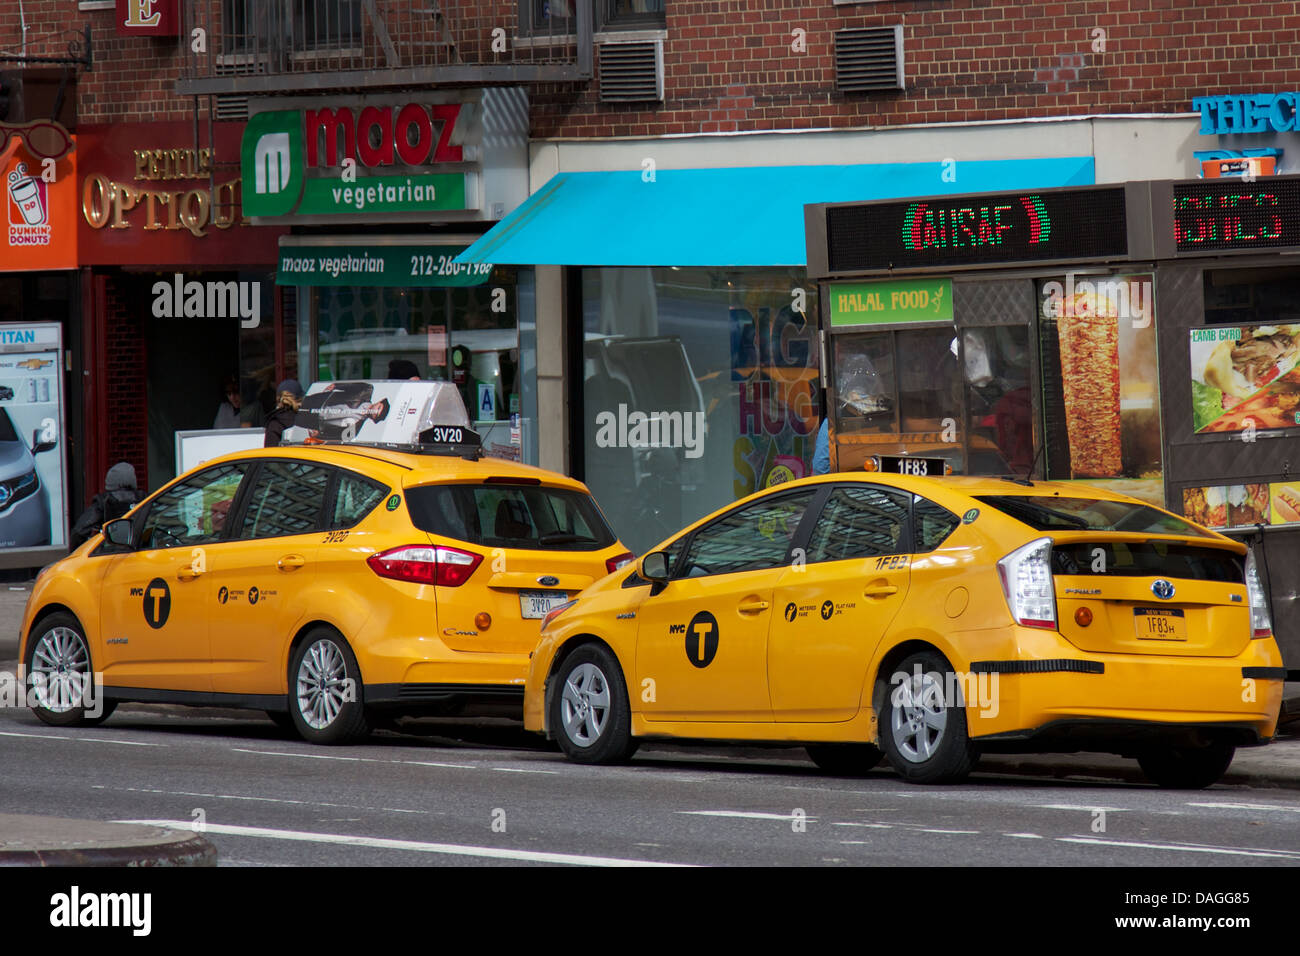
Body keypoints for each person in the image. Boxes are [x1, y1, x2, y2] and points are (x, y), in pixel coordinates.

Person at [69, 462, 142, 548]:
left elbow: (78, 532)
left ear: (109, 480)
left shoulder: (103, 501)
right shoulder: (144, 498)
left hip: (112, 553)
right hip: (143, 552)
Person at [263, 379, 304, 447]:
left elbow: (270, 453)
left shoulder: (275, 424)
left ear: (277, 399)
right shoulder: (306, 420)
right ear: (300, 399)